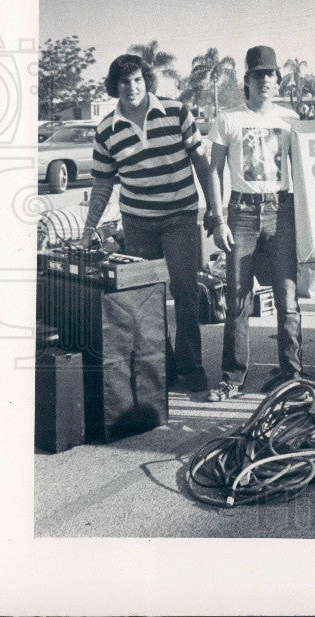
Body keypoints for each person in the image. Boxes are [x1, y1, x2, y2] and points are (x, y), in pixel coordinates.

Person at [82, 54, 221, 392]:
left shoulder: (176, 112)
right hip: (138, 221)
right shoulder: (105, 131)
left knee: (186, 290)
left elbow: (202, 165)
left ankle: (191, 366)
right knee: (146, 297)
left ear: (146, 82)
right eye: (124, 82)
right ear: (114, 87)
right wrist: (88, 229)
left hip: (180, 216)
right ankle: (165, 365)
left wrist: (215, 212)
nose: (131, 87)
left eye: (137, 81)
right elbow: (102, 184)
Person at [204, 45, 305, 401]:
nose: (265, 80)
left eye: (270, 75)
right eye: (257, 74)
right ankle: (232, 378)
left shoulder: (290, 120)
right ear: (246, 80)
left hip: (282, 209)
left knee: (288, 300)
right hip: (242, 212)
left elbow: (308, 171)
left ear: (278, 80)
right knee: (238, 299)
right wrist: (217, 219)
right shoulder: (228, 119)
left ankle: (293, 377)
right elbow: (213, 171)